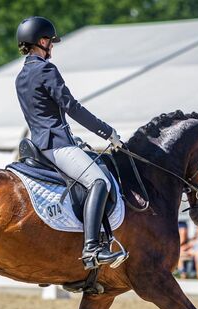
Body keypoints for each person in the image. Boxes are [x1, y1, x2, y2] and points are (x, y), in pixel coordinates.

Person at [15, 16, 126, 270]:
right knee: (99, 181)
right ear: (41, 41)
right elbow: (71, 107)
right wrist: (106, 132)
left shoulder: (21, 76)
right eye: (50, 42)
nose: (52, 46)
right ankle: (92, 249)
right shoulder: (46, 70)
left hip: (40, 144)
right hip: (57, 144)